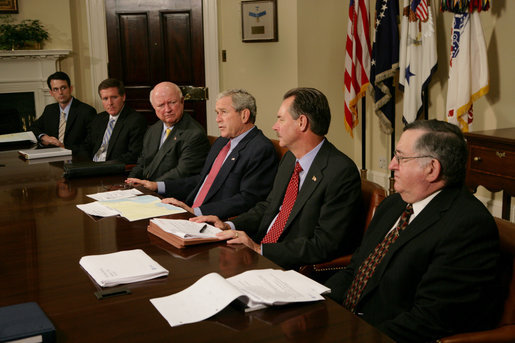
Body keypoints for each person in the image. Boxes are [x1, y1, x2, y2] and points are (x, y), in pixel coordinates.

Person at [325, 120, 500, 343]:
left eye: (401, 157)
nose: (391, 165)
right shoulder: (393, 205)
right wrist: (314, 301)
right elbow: (355, 270)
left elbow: (429, 320)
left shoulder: (467, 226)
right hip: (345, 323)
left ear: (431, 169)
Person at [192, 87, 362, 270]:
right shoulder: (290, 159)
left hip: (287, 267)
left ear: (302, 122)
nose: (275, 126)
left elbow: (323, 244)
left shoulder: (340, 172)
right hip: (257, 253)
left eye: (281, 119)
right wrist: (228, 225)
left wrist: (260, 249)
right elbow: (269, 207)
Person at [126, 89, 278, 220]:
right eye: (217, 113)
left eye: (223, 112)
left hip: (216, 220)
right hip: (190, 211)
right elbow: (203, 180)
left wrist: (197, 212)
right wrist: (157, 186)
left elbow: (248, 199)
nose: (217, 119)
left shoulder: (260, 148)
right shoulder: (221, 142)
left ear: (244, 115)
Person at [127, 81, 210, 181]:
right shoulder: (153, 130)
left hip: (169, 191)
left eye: (172, 102)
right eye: (161, 105)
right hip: (146, 188)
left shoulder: (195, 135)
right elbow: (142, 163)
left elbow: (182, 173)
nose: (167, 109)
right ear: (154, 107)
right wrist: (130, 181)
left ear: (182, 101)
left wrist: (151, 185)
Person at [82, 78, 147, 164]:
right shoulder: (98, 119)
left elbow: (134, 154)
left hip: (114, 170)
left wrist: (106, 165)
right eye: (105, 99)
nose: (110, 103)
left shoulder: (135, 120)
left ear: (123, 97)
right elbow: (87, 146)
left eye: (114, 97)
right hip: (92, 166)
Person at [30, 71, 96, 151]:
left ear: (70, 89)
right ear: (51, 93)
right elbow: (33, 128)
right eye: (55, 89)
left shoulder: (87, 111)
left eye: (63, 88)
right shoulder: (49, 110)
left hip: (76, 158)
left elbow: (91, 143)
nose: (60, 92)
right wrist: (45, 137)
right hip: (52, 157)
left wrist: (65, 148)